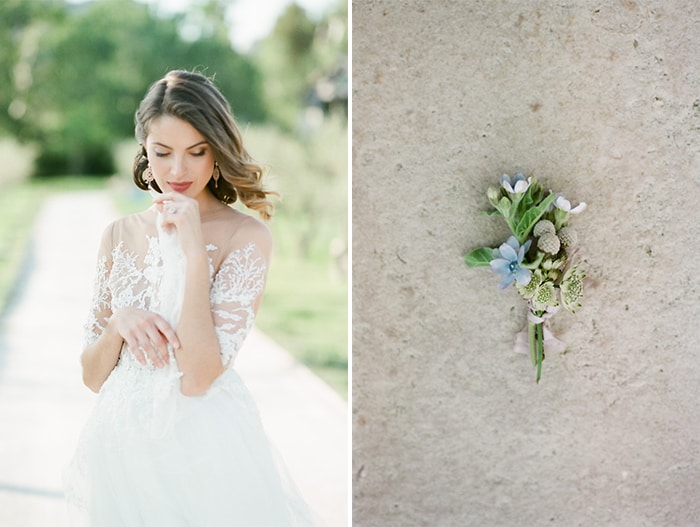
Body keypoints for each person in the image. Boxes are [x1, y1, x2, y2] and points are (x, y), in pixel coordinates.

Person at [64, 70, 318, 526]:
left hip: (204, 451)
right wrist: (120, 321)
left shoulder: (246, 236)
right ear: (144, 149)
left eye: (196, 152)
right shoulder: (118, 235)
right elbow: (91, 376)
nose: (177, 171)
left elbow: (199, 376)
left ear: (217, 152)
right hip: (119, 449)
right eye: (162, 153)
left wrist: (193, 252)